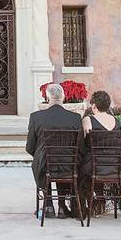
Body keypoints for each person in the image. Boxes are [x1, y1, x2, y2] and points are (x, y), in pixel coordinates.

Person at [27, 83, 82, 219]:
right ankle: (62, 206)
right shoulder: (75, 118)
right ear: (63, 97)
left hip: (44, 164)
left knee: (45, 162)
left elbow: (30, 146)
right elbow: (80, 146)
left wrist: (42, 155)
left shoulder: (36, 117)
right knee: (62, 161)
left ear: (47, 97)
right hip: (69, 163)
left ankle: (48, 205)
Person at [78, 90, 121, 215]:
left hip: (94, 164)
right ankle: (100, 201)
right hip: (116, 164)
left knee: (80, 170)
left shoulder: (88, 120)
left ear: (94, 106)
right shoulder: (117, 122)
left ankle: (90, 204)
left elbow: (83, 143)